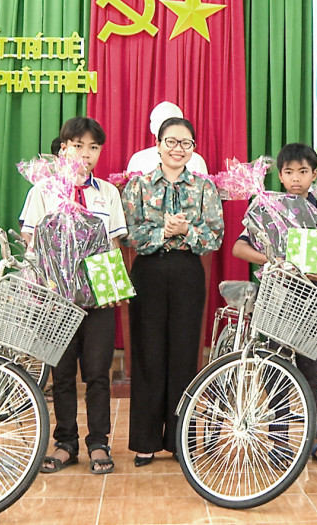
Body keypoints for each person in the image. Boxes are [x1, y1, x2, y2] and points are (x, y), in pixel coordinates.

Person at [233, 142, 317, 466]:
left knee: (310, 372)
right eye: (289, 172)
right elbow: (239, 249)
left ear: (315, 174)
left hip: (314, 297)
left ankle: (316, 438)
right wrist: (273, 260)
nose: (296, 178)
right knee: (274, 370)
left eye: (303, 171)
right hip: (276, 296)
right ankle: (279, 438)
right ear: (280, 176)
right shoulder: (267, 208)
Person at [21, 117, 127, 474]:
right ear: (62, 148)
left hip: (97, 299)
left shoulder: (107, 193)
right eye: (78, 146)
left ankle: (99, 442)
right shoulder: (43, 190)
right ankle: (65, 442)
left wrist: (113, 287)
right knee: (61, 373)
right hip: (56, 300)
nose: (86, 154)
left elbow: (113, 244)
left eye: (93, 147)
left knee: (97, 373)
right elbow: (30, 239)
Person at [123, 117, 224, 467]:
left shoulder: (204, 188)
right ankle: (145, 441)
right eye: (171, 141)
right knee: (148, 353)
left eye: (186, 143)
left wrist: (188, 231)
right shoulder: (137, 186)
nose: (178, 149)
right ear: (157, 143)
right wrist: (163, 234)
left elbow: (215, 236)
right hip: (148, 271)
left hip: (186, 272)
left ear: (193, 149)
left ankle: (180, 439)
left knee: (184, 354)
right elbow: (129, 234)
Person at [126, 101, 208, 175]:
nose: (166, 129)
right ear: (152, 127)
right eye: (161, 123)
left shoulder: (195, 160)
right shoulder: (139, 159)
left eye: (171, 124)